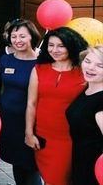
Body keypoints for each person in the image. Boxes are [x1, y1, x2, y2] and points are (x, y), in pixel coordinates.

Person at [24, 27, 88, 185]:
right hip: (43, 137)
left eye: (61, 46)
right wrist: (29, 133)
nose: (54, 50)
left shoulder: (84, 72)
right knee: (50, 179)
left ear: (72, 46)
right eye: (51, 45)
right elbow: (31, 103)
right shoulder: (39, 69)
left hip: (70, 138)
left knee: (59, 179)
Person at [0, 19, 40, 185]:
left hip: (30, 121)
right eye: (13, 36)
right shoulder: (6, 60)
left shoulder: (40, 63)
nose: (17, 40)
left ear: (32, 37)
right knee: (16, 162)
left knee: (31, 165)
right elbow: (1, 88)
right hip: (9, 121)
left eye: (22, 36)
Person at [66, 44, 103, 185]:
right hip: (81, 160)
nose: (90, 68)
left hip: (93, 169)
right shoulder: (88, 89)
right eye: (87, 61)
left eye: (100, 65)